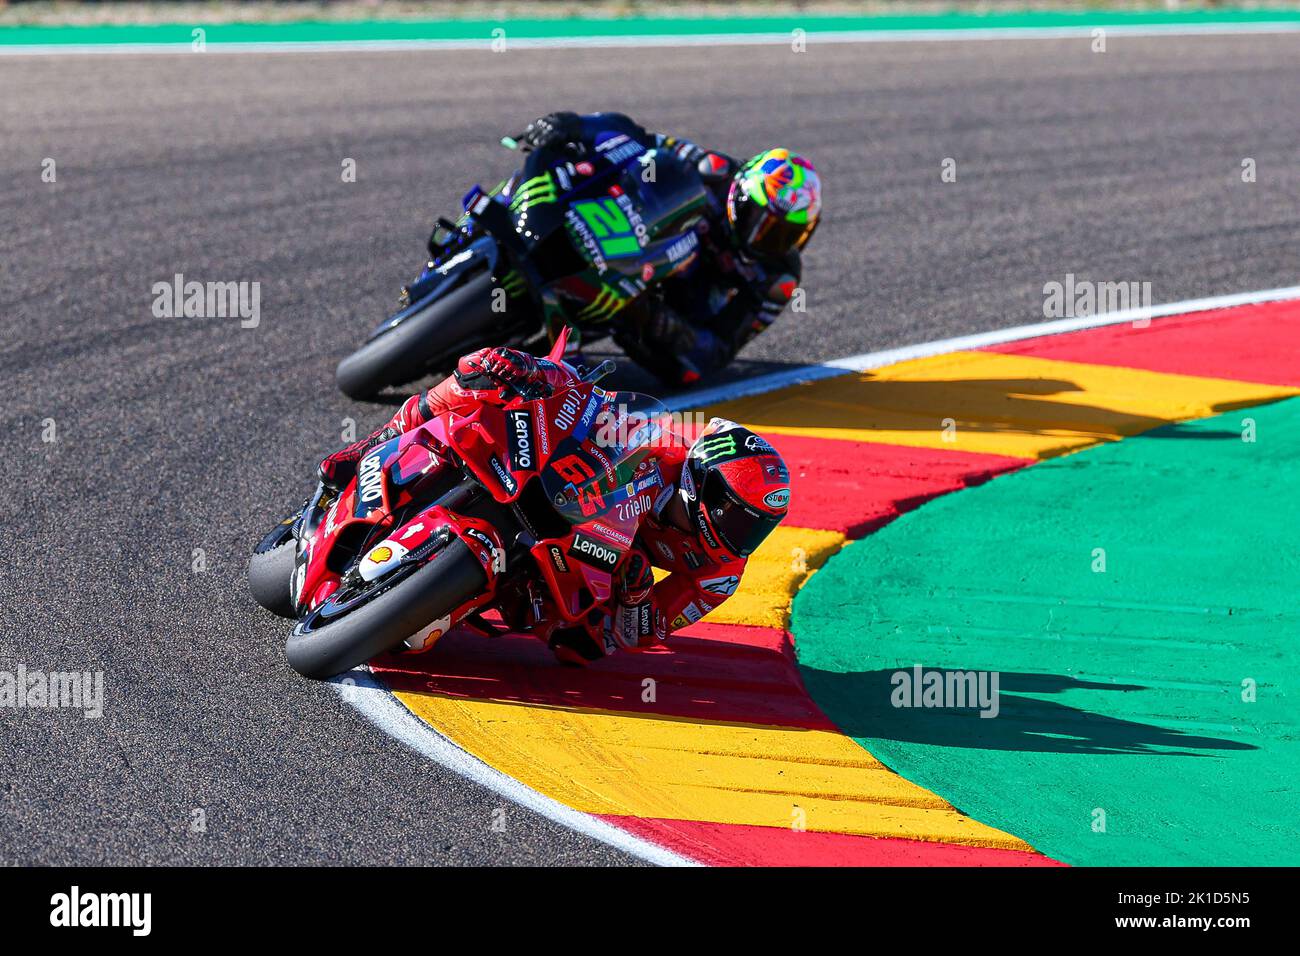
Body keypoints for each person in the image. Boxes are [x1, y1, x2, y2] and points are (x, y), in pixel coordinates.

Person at [318, 344, 791, 663]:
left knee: (578, 651)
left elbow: (639, 635)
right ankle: (367, 448)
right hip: (571, 506)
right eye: (735, 514)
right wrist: (542, 374)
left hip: (588, 577)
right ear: (701, 482)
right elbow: (592, 405)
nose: (740, 536)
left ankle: (453, 593)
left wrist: (635, 595)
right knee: (480, 375)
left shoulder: (720, 575)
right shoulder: (662, 449)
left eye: (756, 528)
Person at [512, 111, 821, 385]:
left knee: (687, 372)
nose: (763, 237)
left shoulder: (777, 277)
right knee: (585, 162)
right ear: (739, 195)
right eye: (758, 220)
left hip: (662, 300)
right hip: (628, 234)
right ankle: (522, 216)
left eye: (783, 235)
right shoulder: (712, 169)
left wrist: (652, 317)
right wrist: (572, 125)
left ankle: (589, 319)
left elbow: (717, 350)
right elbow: (635, 136)